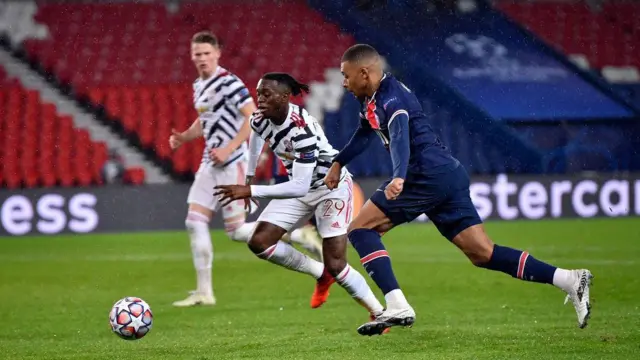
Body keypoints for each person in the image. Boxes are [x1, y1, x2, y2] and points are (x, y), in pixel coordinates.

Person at [324, 44, 593, 336]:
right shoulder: (373, 97)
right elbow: (365, 133)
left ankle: (397, 304)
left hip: (423, 175)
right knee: (483, 253)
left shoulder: (392, 98)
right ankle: (568, 279)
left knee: (362, 230)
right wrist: (339, 163)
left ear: (364, 73)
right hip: (446, 174)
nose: (344, 82)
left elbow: (400, 134)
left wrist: (399, 176)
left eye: (346, 75)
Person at [214, 72, 386, 325]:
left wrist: (251, 191)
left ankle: (380, 313)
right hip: (300, 184)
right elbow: (256, 136)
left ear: (284, 97)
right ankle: (319, 273)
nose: (259, 99)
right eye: (259, 92)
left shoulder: (301, 131)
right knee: (259, 242)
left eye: (266, 94)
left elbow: (298, 187)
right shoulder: (260, 117)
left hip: (331, 187)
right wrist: (249, 177)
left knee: (337, 265)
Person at [168, 32, 317, 307]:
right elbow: (205, 121)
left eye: (205, 53)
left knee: (236, 231)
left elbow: (253, 116)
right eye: (196, 53)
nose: (201, 58)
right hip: (209, 163)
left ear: (217, 53)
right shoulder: (199, 85)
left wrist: (229, 148)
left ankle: (297, 234)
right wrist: (184, 137)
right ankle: (204, 292)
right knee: (194, 221)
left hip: (232, 160)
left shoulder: (228, 83)